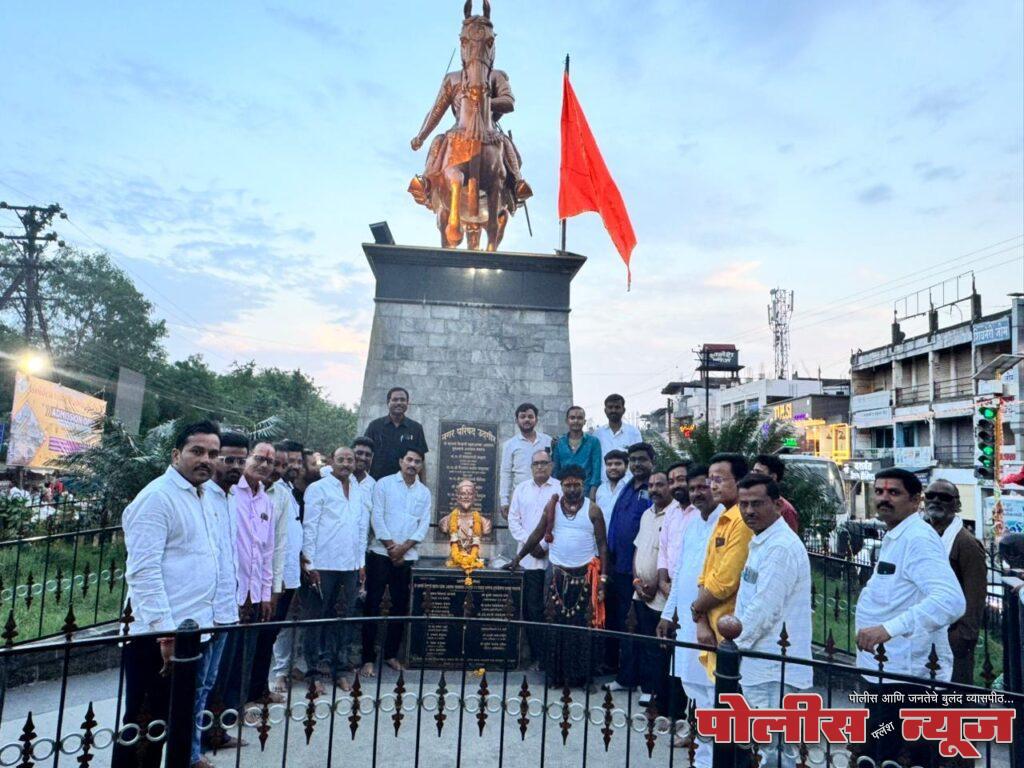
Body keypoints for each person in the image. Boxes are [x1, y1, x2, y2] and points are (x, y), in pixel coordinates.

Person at [114, 421, 236, 768]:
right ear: (176, 454)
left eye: (213, 453)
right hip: (157, 638)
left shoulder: (203, 496)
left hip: (195, 632)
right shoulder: (157, 498)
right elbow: (143, 572)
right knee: (144, 729)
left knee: (176, 724)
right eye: (197, 451)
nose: (206, 460)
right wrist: (164, 632)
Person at [853, 468, 965, 766]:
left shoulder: (918, 539)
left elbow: (951, 601)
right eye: (879, 492)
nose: (883, 499)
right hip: (884, 670)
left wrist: (888, 629)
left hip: (905, 679)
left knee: (888, 753)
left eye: (893, 493)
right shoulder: (897, 535)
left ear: (916, 501)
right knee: (876, 750)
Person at [732, 474, 813, 768]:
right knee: (764, 748)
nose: (749, 511)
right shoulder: (762, 541)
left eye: (757, 503)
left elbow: (764, 610)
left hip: (774, 669)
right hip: (758, 664)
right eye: (744, 504)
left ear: (777, 505)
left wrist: (731, 646)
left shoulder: (780, 547)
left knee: (776, 753)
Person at [506, 465, 608, 688]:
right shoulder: (552, 508)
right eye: (567, 485)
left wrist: (603, 579)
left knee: (584, 629)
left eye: (576, 485)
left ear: (583, 485)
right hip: (558, 577)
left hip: (585, 578)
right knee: (556, 628)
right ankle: (556, 677)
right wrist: (518, 558)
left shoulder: (593, 510)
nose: (572, 489)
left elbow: (602, 544)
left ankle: (584, 678)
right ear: (561, 486)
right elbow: (537, 534)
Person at [657, 467, 724, 760]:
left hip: (706, 621)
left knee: (711, 690)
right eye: (694, 488)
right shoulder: (695, 522)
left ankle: (710, 756)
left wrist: (701, 619)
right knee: (693, 685)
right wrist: (668, 613)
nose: (697, 493)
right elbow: (682, 569)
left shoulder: (725, 521)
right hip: (687, 620)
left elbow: (720, 580)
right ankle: (701, 750)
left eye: (703, 487)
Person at [302, 447, 367, 692]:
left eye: (350, 460)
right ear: (331, 461)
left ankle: (338, 670)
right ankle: (314, 674)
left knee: (344, 619)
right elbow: (310, 527)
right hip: (323, 564)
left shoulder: (358, 490)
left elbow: (361, 528)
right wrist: (310, 564)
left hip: (350, 566)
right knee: (317, 619)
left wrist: (361, 563)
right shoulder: (318, 488)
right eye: (341, 460)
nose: (346, 464)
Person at [362, 447, 431, 676]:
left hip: (407, 557)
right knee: (372, 605)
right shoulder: (384, 484)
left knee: (400, 607)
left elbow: (423, 525)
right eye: (409, 459)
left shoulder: (424, 492)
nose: (412, 464)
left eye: (417, 461)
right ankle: (367, 658)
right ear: (401, 461)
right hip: (381, 554)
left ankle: (390, 654)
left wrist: (403, 549)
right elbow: (377, 516)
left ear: (421, 465)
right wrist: (392, 547)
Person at [202, 430, 249, 754]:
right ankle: (191, 752)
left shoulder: (232, 498)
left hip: (226, 605)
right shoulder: (202, 495)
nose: (234, 465)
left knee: (215, 680)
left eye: (239, 460)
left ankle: (211, 736)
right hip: (201, 612)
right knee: (199, 685)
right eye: (228, 458)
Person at [227, 442, 277, 711]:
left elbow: (267, 549)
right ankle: (222, 712)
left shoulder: (266, 499)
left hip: (255, 590)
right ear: (246, 459)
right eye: (259, 458)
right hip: (232, 587)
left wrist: (266, 592)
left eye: (269, 461)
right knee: (228, 656)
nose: (264, 465)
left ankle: (238, 705)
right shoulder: (232, 492)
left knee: (247, 652)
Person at [693, 453, 752, 678]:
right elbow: (705, 575)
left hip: (730, 629)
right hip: (711, 623)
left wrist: (696, 609)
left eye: (719, 480)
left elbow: (724, 583)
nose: (712, 486)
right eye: (710, 480)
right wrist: (701, 621)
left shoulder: (742, 521)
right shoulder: (724, 517)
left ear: (738, 481)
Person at [923, 479, 987, 685]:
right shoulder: (923, 535)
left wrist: (961, 638)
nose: (936, 501)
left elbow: (975, 596)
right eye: (930, 496)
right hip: (922, 635)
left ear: (957, 505)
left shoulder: (965, 543)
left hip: (952, 640)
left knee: (953, 701)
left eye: (944, 497)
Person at [604, 442, 655, 691]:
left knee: (643, 627)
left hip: (640, 571)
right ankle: (625, 677)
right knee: (625, 624)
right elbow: (616, 523)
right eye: (633, 460)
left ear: (651, 462)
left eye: (641, 459)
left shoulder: (653, 488)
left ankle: (645, 683)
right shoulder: (627, 487)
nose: (636, 464)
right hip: (620, 567)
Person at [257, 440, 304, 701]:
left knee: (270, 635)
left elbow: (288, 536)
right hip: (267, 580)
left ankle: (258, 689)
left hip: (287, 574)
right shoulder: (257, 492)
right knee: (261, 637)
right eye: (279, 463)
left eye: (288, 463)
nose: (284, 467)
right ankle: (246, 694)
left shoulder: (285, 492)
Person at [507, 449, 560, 668]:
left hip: (553, 559)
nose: (540, 467)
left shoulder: (559, 489)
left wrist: (544, 545)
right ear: (531, 467)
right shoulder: (521, 489)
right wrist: (530, 545)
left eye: (544, 463)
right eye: (536, 463)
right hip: (528, 562)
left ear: (551, 465)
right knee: (532, 609)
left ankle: (554, 657)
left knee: (553, 610)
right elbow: (513, 520)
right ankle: (538, 657)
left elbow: (563, 521)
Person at [629, 471, 675, 709]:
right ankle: (647, 687)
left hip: (660, 593)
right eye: (651, 485)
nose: (655, 489)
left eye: (660, 484)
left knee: (659, 646)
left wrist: (657, 583)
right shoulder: (647, 513)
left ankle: (657, 692)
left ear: (670, 486)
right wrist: (637, 580)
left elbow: (666, 554)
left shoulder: (675, 514)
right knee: (645, 642)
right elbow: (638, 548)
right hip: (641, 590)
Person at [499, 402, 552, 519]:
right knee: (522, 534)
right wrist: (504, 501)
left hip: (546, 496)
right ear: (517, 420)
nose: (526, 420)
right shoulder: (510, 445)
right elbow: (505, 473)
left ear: (536, 420)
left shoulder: (548, 441)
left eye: (530, 416)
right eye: (522, 417)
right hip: (521, 497)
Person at [363, 387, 429, 480]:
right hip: (377, 481)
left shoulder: (416, 428)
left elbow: (422, 460)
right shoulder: (375, 426)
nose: (399, 403)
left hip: (405, 484)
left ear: (407, 403)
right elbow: (365, 455)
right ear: (388, 402)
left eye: (402, 400)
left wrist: (423, 486)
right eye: (395, 399)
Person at [550, 406, 603, 499]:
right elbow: (555, 470)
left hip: (586, 491)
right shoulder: (559, 442)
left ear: (584, 421)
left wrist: (593, 492)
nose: (576, 421)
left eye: (579, 418)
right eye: (572, 418)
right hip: (564, 491)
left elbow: (596, 469)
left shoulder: (593, 442)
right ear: (567, 421)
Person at [656, 461, 690, 598]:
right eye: (671, 481)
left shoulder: (701, 513)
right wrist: (663, 583)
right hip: (668, 589)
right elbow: (663, 550)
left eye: (681, 480)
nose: (675, 485)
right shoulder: (671, 512)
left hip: (692, 589)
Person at [593, 394, 643, 481]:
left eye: (617, 407)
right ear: (605, 410)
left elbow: (639, 458)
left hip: (628, 483)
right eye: (610, 407)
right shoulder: (597, 434)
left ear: (623, 410)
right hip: (604, 485)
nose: (613, 410)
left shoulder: (634, 433)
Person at [751, 454, 799, 533]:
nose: (752, 475)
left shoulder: (786, 510)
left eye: (758, 472)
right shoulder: (748, 503)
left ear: (773, 477)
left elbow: (789, 540)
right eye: (753, 471)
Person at [594, 449, 630, 531]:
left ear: (626, 466)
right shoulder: (601, 489)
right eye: (609, 464)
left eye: (618, 464)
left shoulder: (631, 487)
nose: (613, 467)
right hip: (602, 540)